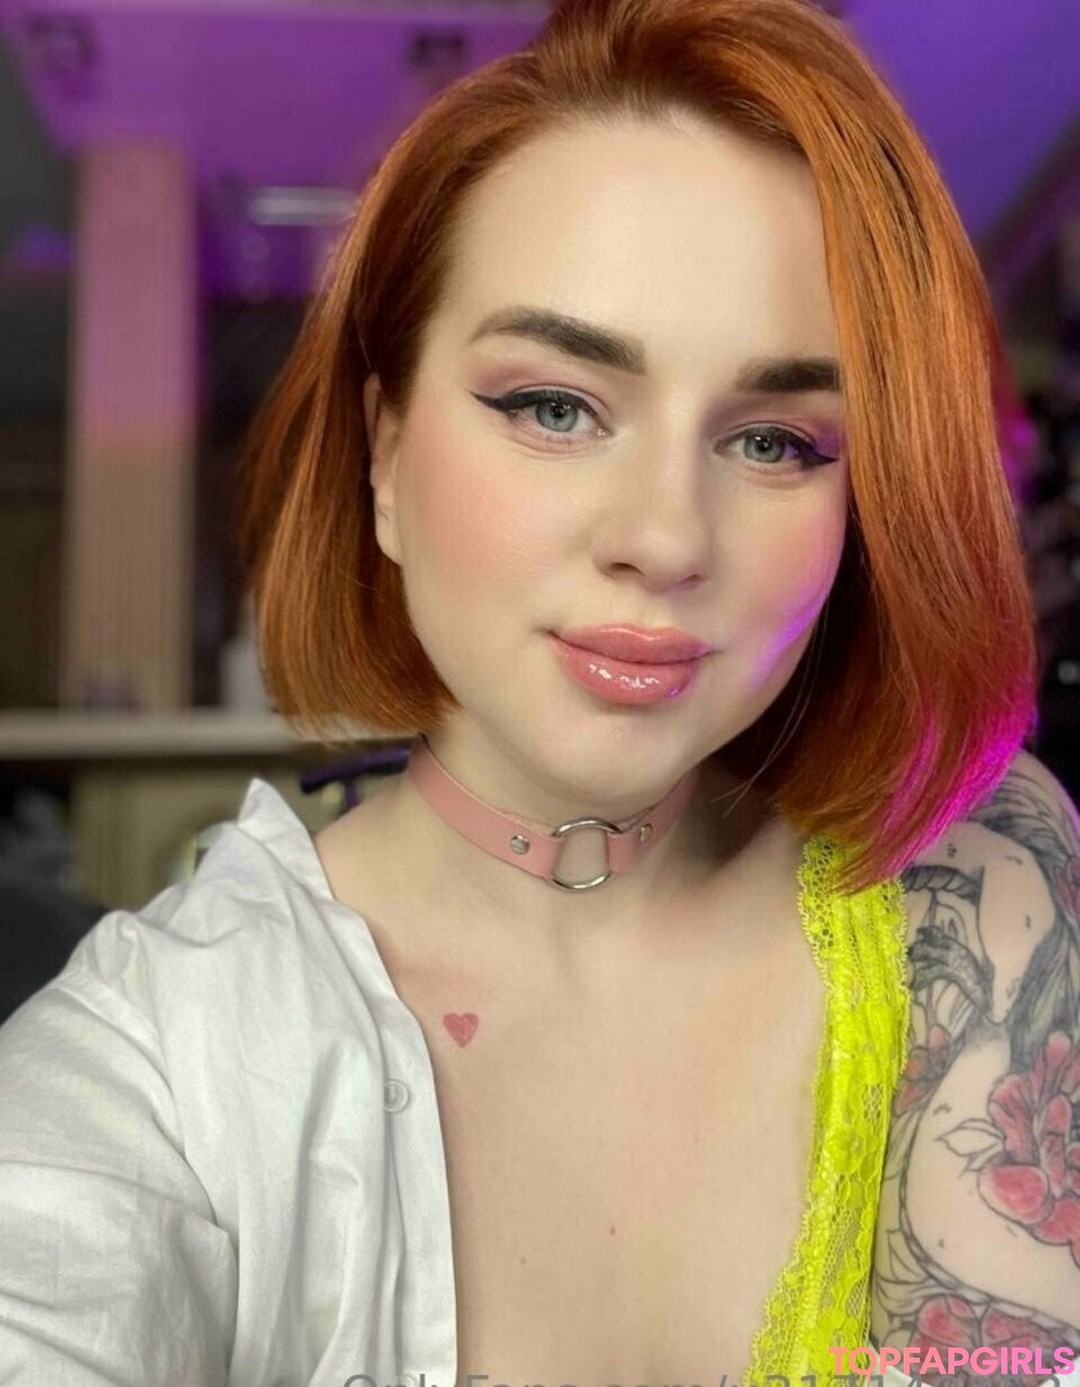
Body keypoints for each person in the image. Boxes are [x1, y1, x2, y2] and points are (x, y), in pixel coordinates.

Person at [0, 0, 1077, 1382]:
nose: (667, 538)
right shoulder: (154, 1069)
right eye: (555, 406)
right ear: (384, 457)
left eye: (774, 440)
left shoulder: (974, 877)